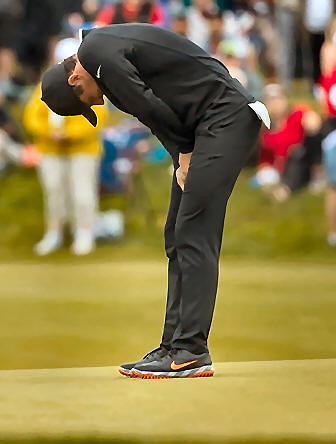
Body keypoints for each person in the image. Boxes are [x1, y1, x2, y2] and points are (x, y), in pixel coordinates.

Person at [40, 24, 270, 378]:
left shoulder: (97, 52)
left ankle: (191, 351)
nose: (97, 102)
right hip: (205, 126)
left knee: (194, 232)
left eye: (86, 99)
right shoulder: (102, 52)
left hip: (227, 117)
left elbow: (146, 105)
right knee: (176, 235)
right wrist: (183, 154)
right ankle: (173, 346)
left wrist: (185, 150)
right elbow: (155, 112)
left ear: (74, 79)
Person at [24, 38, 108, 256]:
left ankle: (85, 233)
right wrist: (49, 133)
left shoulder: (91, 84)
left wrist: (68, 135)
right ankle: (54, 233)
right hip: (50, 149)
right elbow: (32, 117)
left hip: (83, 149)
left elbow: (97, 118)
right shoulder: (47, 84)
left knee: (83, 193)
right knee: (54, 193)